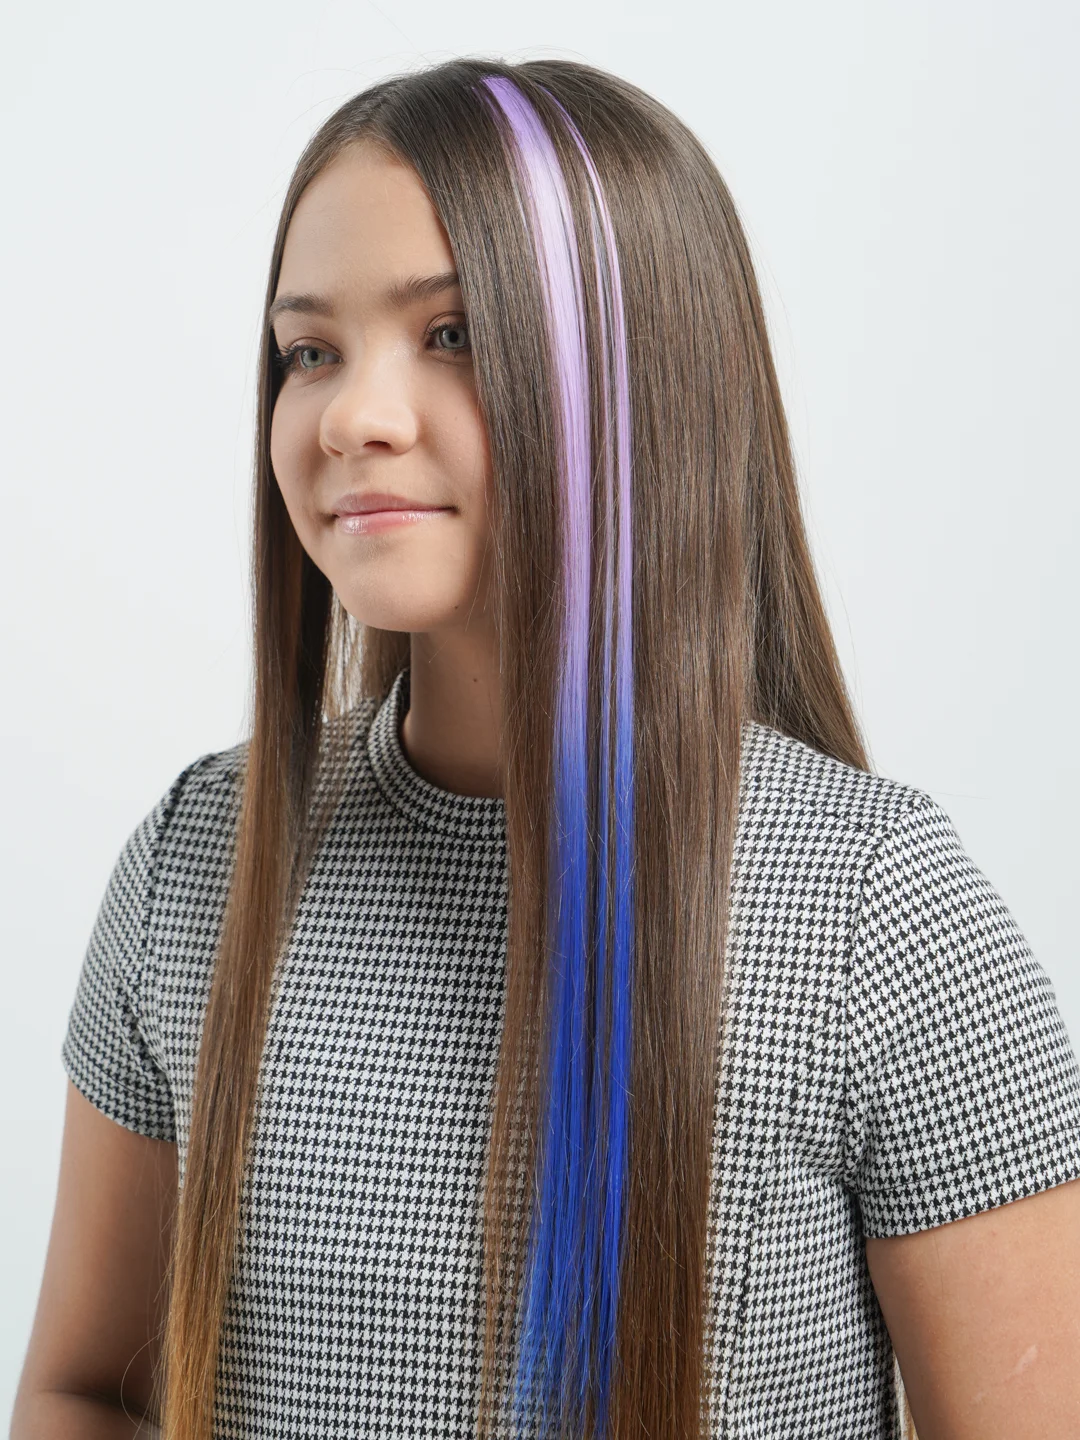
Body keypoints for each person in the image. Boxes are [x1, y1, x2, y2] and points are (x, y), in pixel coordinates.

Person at [10, 56, 1080, 1440]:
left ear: (642, 383)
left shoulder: (876, 911)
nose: (352, 416)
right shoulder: (195, 865)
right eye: (309, 351)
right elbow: (78, 1390)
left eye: (451, 333)